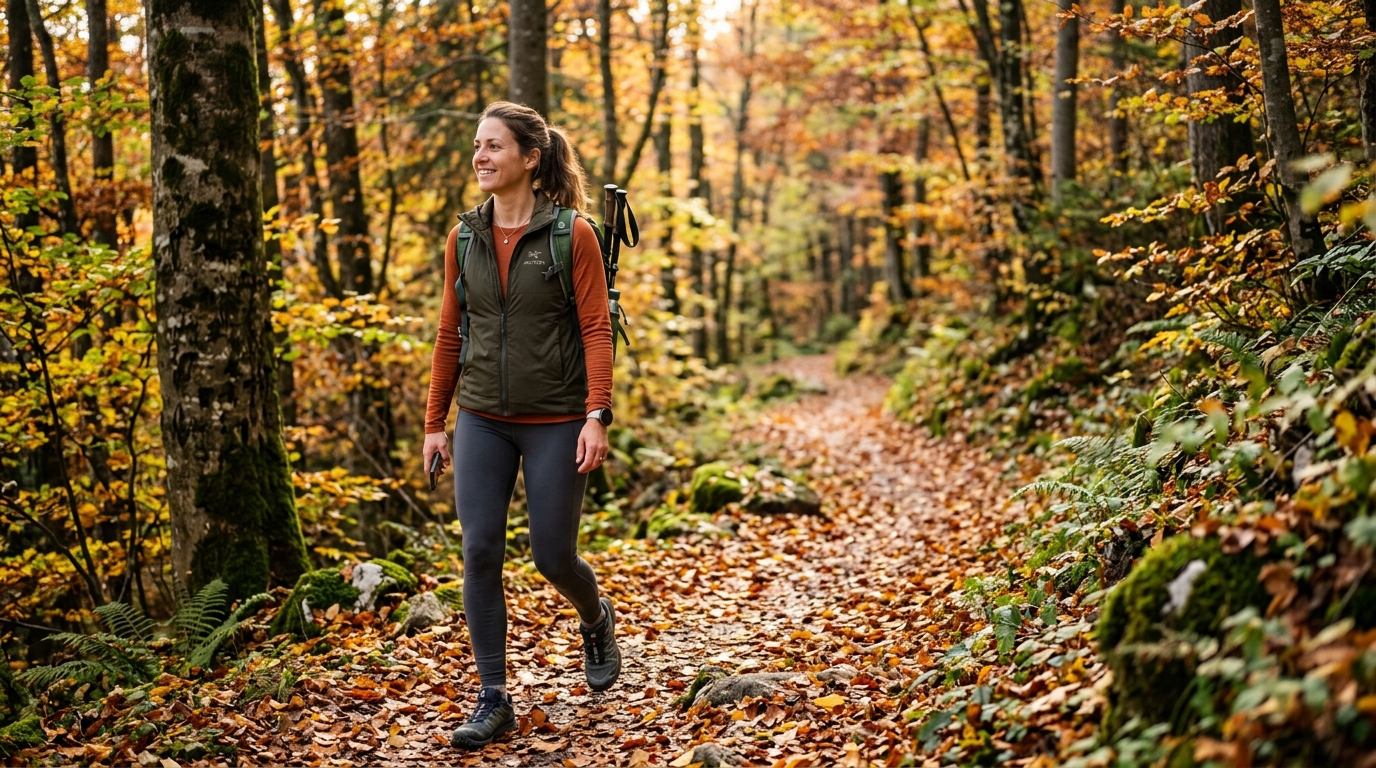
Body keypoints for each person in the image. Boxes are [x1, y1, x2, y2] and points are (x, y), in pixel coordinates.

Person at [421, 101, 622, 750]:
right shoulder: (464, 236)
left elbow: (595, 327)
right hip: (481, 416)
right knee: (479, 551)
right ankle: (493, 697)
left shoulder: (572, 234)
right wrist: (434, 424)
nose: (480, 156)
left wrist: (596, 413)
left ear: (530, 159)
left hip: (557, 419)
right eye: (477, 146)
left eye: (494, 146)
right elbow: (450, 333)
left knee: (551, 556)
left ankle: (594, 617)